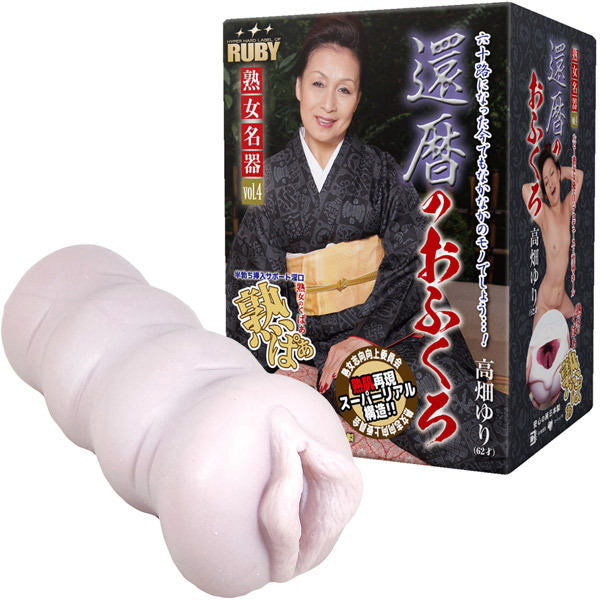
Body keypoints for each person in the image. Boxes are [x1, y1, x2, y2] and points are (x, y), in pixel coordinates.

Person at [226, 15, 506, 470]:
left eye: (344, 89)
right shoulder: (271, 179)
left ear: (358, 99)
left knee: (450, 417)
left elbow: (411, 253)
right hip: (308, 344)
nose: (328, 104)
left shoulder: (379, 170)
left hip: (388, 332)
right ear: (298, 87)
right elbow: (252, 279)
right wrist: (286, 355)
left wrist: (364, 336)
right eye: (318, 84)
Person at [521, 144, 583, 329]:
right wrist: (545, 185)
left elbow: (579, 176)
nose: (549, 182)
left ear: (559, 173)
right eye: (545, 180)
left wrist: (559, 172)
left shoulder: (567, 209)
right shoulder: (543, 214)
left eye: (552, 174)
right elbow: (525, 190)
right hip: (546, 302)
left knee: (577, 330)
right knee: (535, 348)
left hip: (562, 300)